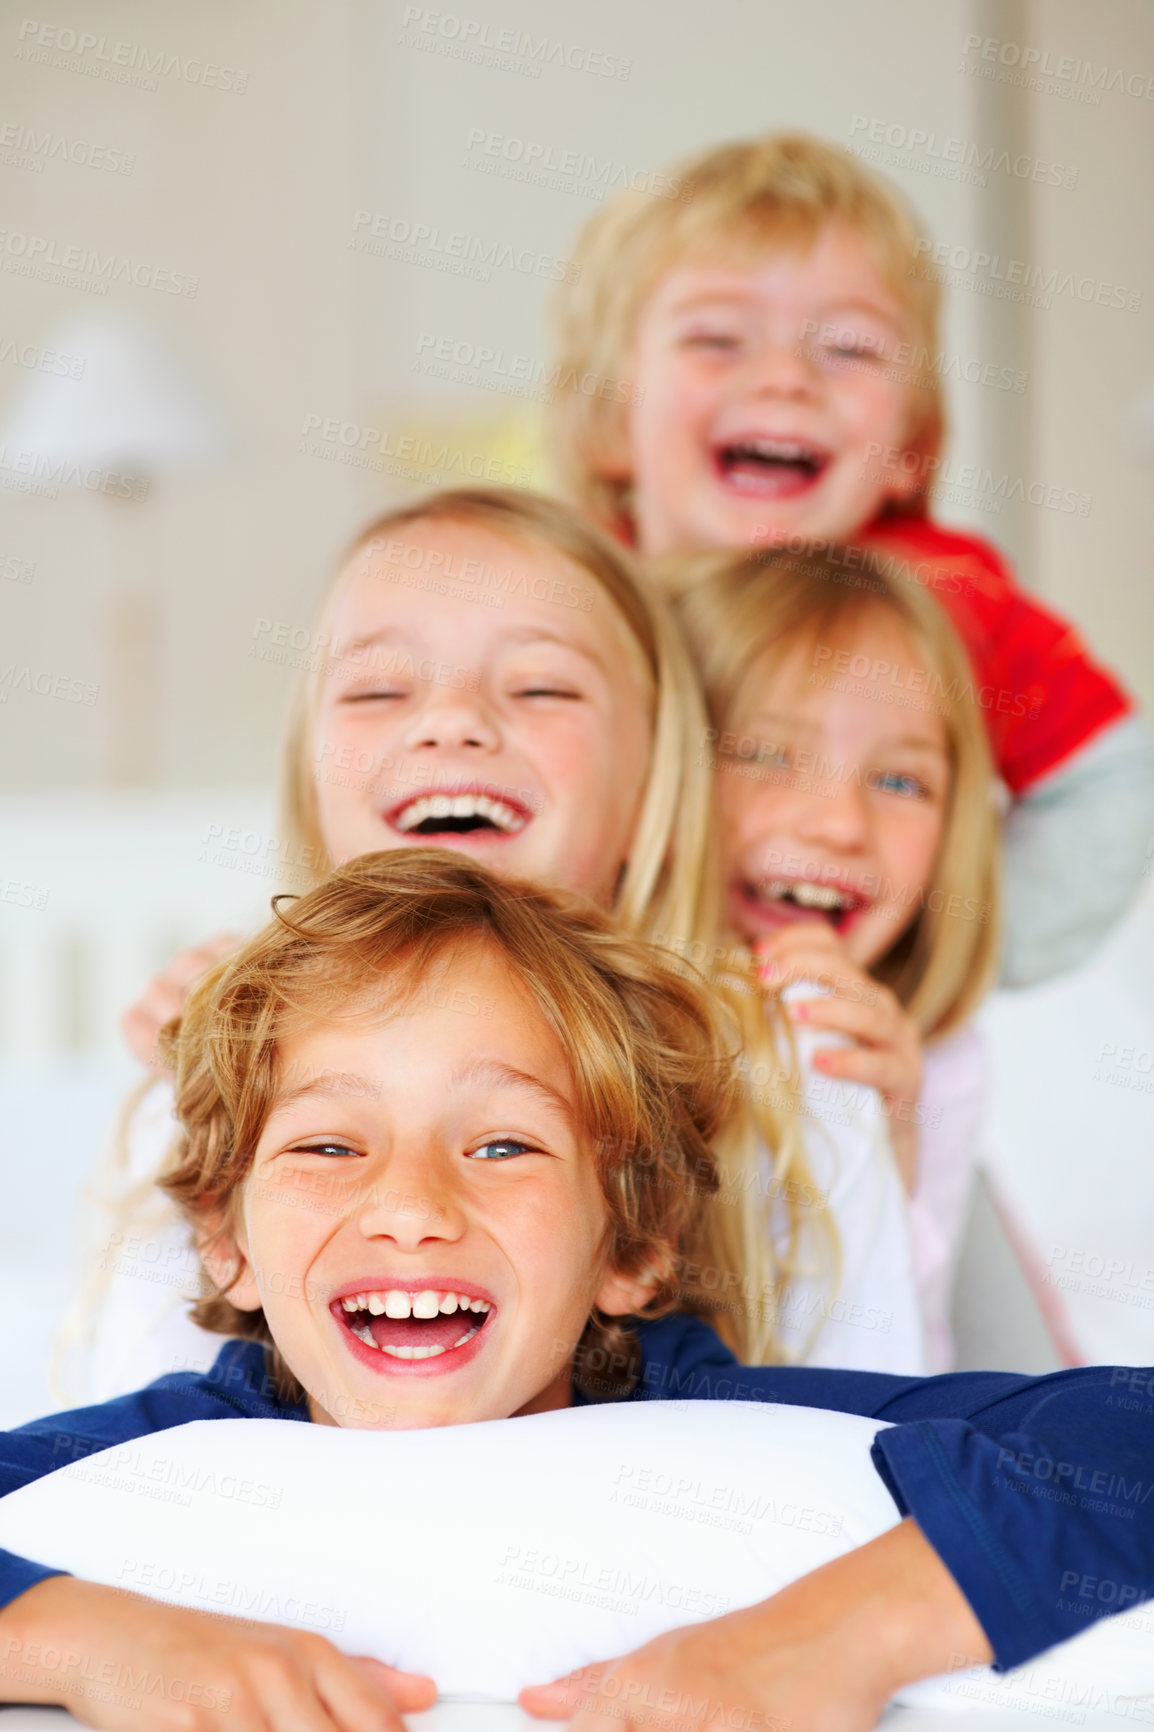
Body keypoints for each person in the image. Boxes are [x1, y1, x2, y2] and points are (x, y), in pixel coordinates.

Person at [5, 853, 1153, 1732]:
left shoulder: (742, 1431)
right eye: (326, 1148)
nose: (410, 1207)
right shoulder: (151, 1458)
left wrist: (834, 1632)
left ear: (630, 1245)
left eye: (502, 1144)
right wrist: (96, 1640)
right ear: (225, 1240)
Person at [81, 488, 922, 1394]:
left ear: (653, 784)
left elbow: (878, 1442)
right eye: (378, 688)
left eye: (540, 687)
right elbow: (133, 1449)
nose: (452, 720)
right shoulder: (227, 1059)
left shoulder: (794, 1075)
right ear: (313, 784)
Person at [549, 130, 1154, 989]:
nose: (786, 377)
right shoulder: (557, 598)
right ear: (612, 419)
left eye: (850, 349)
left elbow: (1106, 780)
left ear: (909, 444)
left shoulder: (945, 603)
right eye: (719, 338)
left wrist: (947, 959)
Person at [671, 543, 998, 1369]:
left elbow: (901, 1362)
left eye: (899, 783)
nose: (839, 825)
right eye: (766, 753)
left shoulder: (935, 1064)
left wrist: (897, 1147)